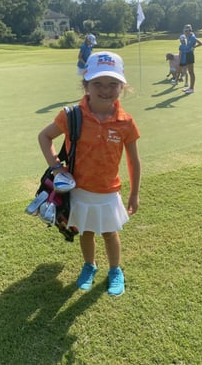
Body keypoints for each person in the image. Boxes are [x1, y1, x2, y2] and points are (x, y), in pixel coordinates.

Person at [39, 51, 141, 296]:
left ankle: (115, 270)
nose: (105, 90)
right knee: (85, 231)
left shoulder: (126, 121)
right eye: (98, 83)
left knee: (109, 232)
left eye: (113, 84)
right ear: (86, 84)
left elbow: (134, 161)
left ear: (122, 86)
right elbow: (45, 137)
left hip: (108, 191)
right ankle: (89, 265)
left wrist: (134, 194)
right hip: (80, 189)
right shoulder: (71, 115)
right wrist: (56, 166)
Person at [182, 24, 202, 94]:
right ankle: (190, 87)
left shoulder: (193, 37)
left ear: (190, 30)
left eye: (187, 30)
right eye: (185, 30)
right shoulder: (188, 36)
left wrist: (194, 47)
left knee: (191, 72)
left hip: (190, 55)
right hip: (187, 54)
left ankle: (192, 88)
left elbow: (201, 43)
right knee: (190, 72)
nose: (185, 32)